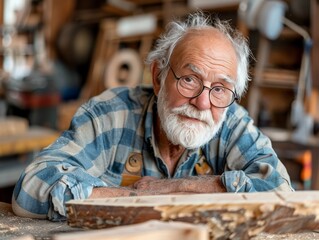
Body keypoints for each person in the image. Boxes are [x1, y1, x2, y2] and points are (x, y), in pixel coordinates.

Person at [12, 12, 293, 221]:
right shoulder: (110, 114)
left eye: (219, 88)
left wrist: (171, 188)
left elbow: (281, 193)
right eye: (189, 80)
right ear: (158, 77)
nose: (203, 102)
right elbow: (30, 189)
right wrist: (136, 197)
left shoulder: (231, 121)